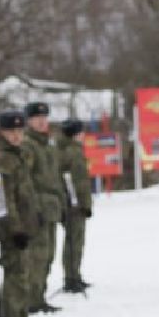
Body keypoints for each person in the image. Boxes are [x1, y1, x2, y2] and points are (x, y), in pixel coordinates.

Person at [0, 110, 44, 317]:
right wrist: (14, 228)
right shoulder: (2, 158)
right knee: (15, 275)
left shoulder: (18, 154)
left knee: (22, 273)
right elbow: (2, 197)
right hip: (12, 228)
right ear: (3, 132)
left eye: (20, 131)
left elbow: (25, 191)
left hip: (23, 223)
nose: (17, 136)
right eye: (12, 131)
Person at [22, 101, 63, 315]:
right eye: (37, 118)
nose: (41, 121)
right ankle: (31, 298)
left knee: (48, 255)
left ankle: (39, 296)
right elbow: (25, 179)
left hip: (51, 207)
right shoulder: (28, 145)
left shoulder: (48, 145)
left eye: (44, 118)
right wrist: (31, 208)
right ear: (28, 120)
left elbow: (56, 179)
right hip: (37, 208)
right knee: (36, 256)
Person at [56, 117, 93, 294]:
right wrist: (77, 203)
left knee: (75, 240)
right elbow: (72, 180)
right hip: (73, 204)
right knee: (74, 241)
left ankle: (74, 275)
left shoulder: (66, 150)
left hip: (73, 202)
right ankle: (71, 277)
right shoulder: (72, 152)